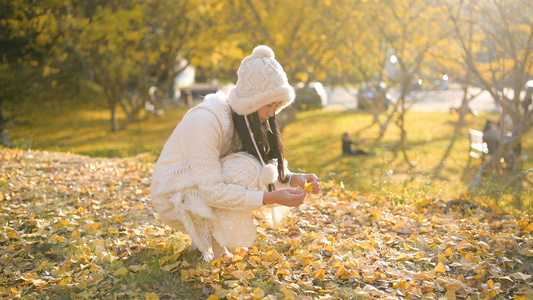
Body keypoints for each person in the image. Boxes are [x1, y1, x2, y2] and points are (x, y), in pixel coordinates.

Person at [150, 45, 321, 261]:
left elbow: (262, 162)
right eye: (269, 104)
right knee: (243, 168)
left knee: (250, 166)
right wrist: (267, 198)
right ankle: (213, 242)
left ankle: (207, 240)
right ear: (252, 101)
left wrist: (296, 179)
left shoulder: (246, 120)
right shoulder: (206, 120)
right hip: (171, 195)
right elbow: (213, 190)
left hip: (196, 185)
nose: (272, 112)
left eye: (277, 104)